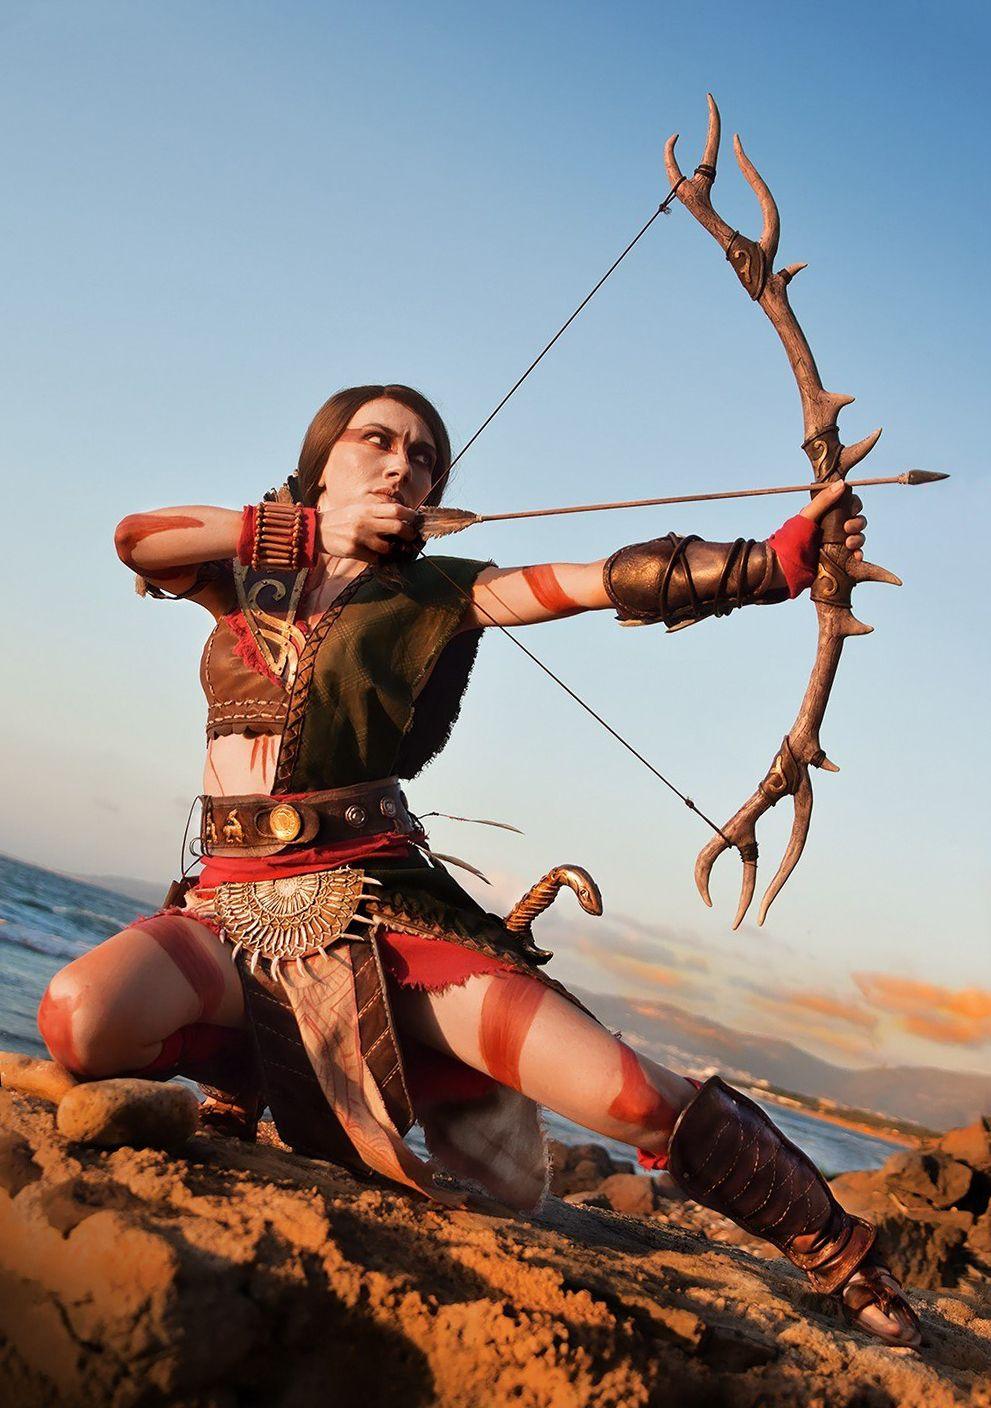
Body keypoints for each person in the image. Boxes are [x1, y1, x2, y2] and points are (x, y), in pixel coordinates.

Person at [38, 384, 921, 1348]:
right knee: (81, 1020)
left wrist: (772, 561)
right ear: (321, 460)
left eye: (424, 457)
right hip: (228, 911)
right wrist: (306, 530)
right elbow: (135, 538)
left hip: (377, 906)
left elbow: (589, 581)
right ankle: (252, 1068)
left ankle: (837, 1248)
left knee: (633, 1100)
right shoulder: (248, 565)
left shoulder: (442, 592)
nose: (402, 463)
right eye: (377, 440)